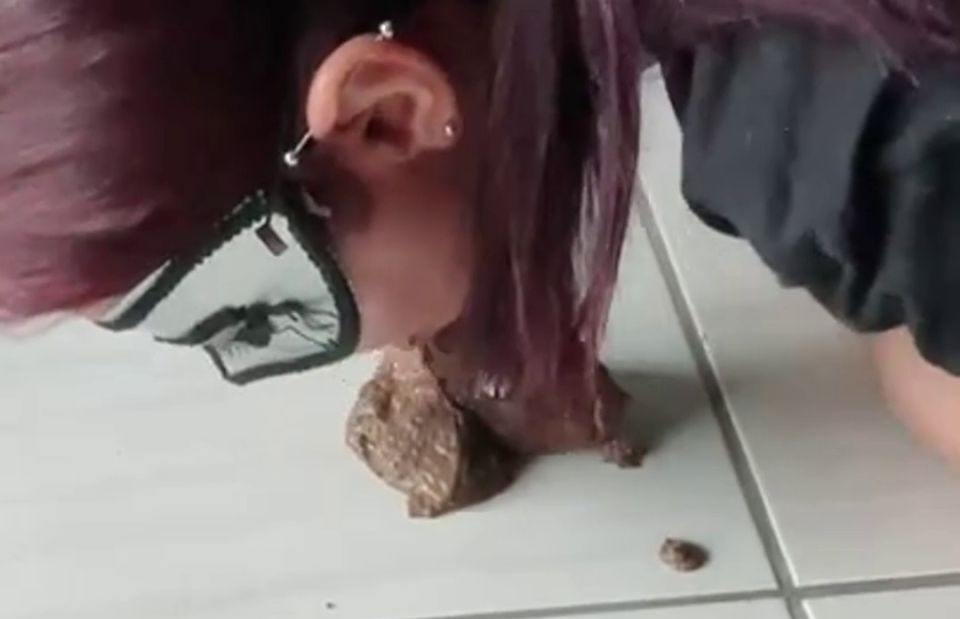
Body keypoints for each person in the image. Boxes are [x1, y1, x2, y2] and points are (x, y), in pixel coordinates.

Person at [3, 0, 960, 458]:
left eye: (254, 307)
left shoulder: (846, 136)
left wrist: (896, 314)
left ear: (389, 114)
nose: (246, 353)